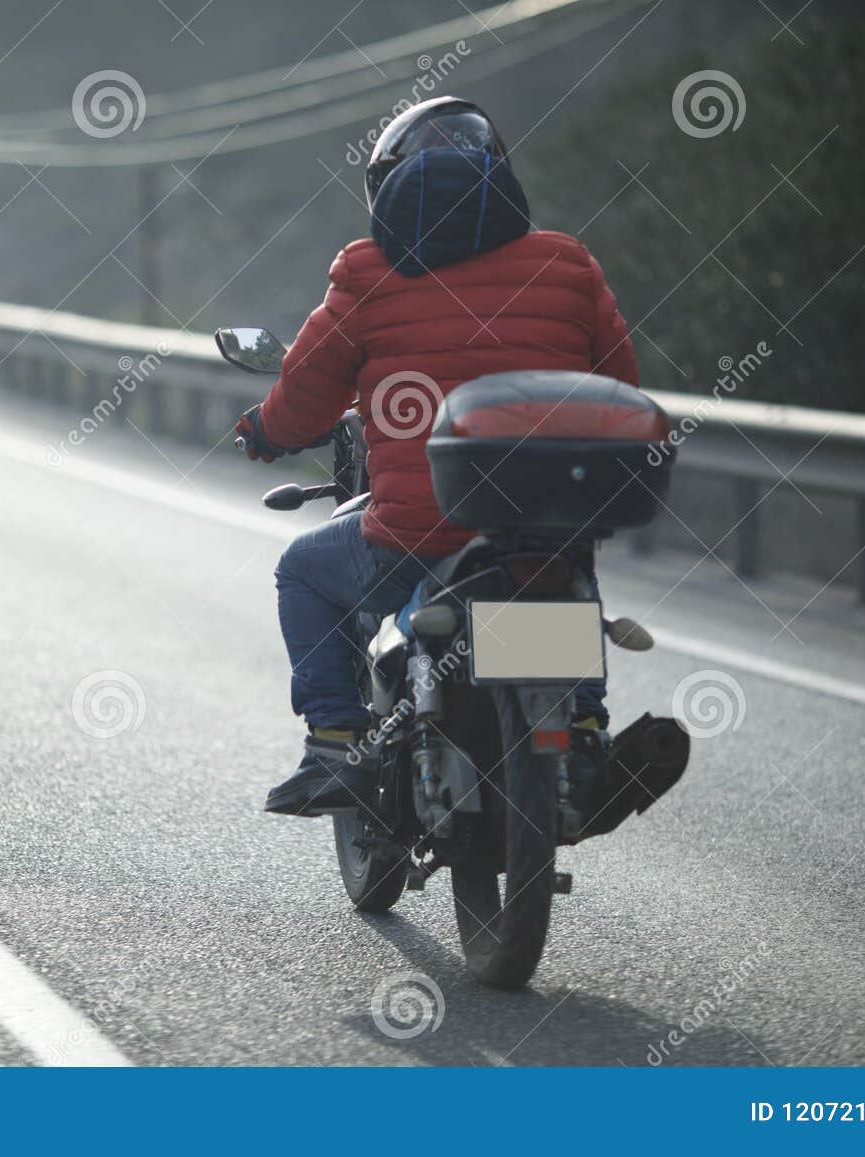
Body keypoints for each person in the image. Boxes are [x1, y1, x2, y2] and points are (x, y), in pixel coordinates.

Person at [235, 97, 640, 817]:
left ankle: (335, 741)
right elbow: (621, 388)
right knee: (563, 562)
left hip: (419, 535)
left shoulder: (366, 272)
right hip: (543, 524)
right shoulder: (568, 263)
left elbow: (305, 395)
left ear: (388, 187)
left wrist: (266, 432)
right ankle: (581, 728)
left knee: (303, 571)